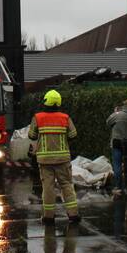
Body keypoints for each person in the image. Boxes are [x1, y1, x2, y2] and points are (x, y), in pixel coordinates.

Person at [28, 90, 80, 225]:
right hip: (63, 159)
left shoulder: (38, 117)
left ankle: (48, 217)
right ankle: (73, 215)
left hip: (44, 160)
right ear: (59, 102)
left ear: (46, 101)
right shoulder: (65, 117)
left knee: (48, 187)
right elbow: (73, 135)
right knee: (66, 185)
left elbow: (32, 136)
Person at [106, 99, 127, 197]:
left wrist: (115, 112)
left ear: (123, 105)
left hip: (117, 141)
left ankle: (118, 186)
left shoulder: (118, 114)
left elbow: (108, 122)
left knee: (117, 164)